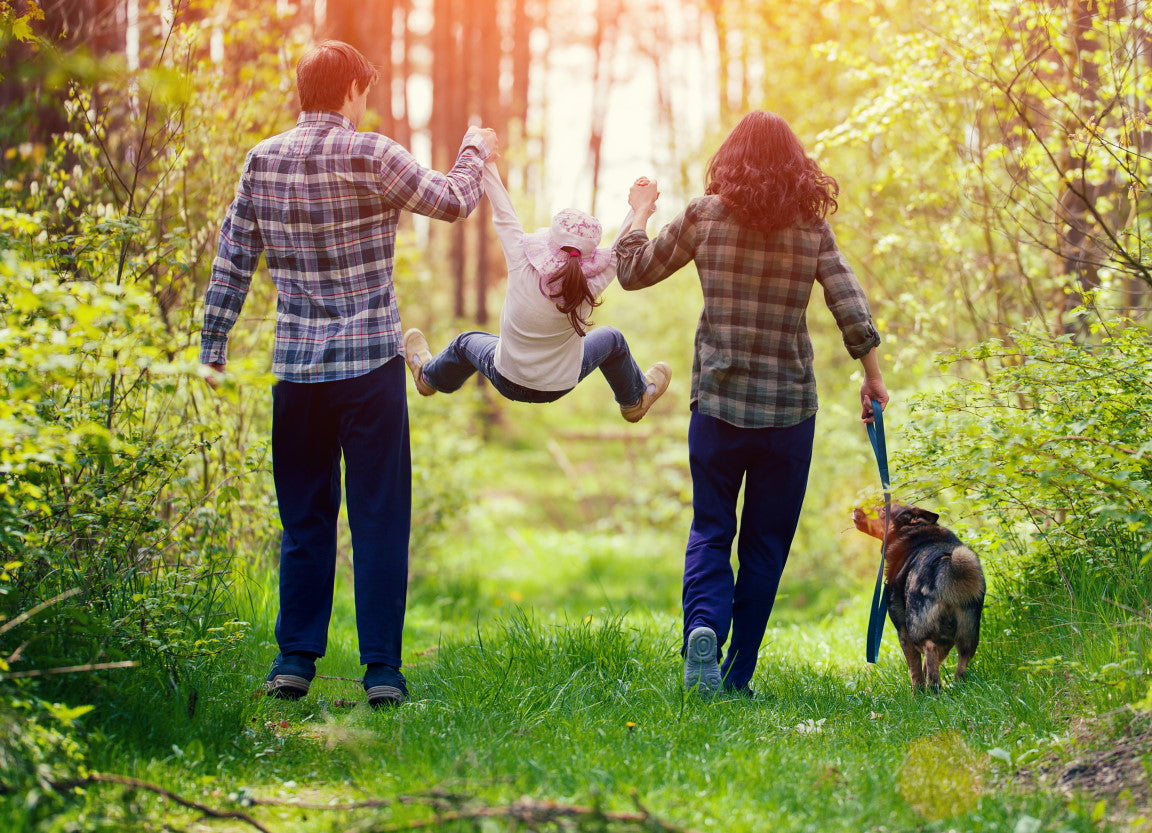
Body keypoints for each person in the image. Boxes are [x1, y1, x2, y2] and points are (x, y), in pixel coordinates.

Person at [199, 40, 498, 707]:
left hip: (298, 371)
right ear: (351, 90)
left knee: (305, 517)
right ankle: (383, 671)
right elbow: (452, 201)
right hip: (369, 368)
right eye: (365, 91)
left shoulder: (262, 160)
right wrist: (474, 148)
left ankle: (294, 660)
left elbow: (233, 258)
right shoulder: (372, 152)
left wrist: (212, 343)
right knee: (379, 517)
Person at [613, 111, 889, 695]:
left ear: (729, 160)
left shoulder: (703, 216)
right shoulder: (810, 229)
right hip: (788, 412)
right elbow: (848, 302)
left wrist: (637, 212)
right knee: (766, 545)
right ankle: (737, 676)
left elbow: (632, 272)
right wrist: (872, 377)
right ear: (797, 166)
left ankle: (703, 630)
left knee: (712, 529)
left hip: (717, 404)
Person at [403, 162, 670, 421]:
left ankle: (428, 378)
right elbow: (619, 250)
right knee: (612, 338)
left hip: (506, 377)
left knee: (464, 343)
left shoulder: (521, 261)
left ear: (549, 242)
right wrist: (640, 209)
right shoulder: (591, 283)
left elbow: (503, 214)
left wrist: (486, 161)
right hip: (560, 384)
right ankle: (634, 401)